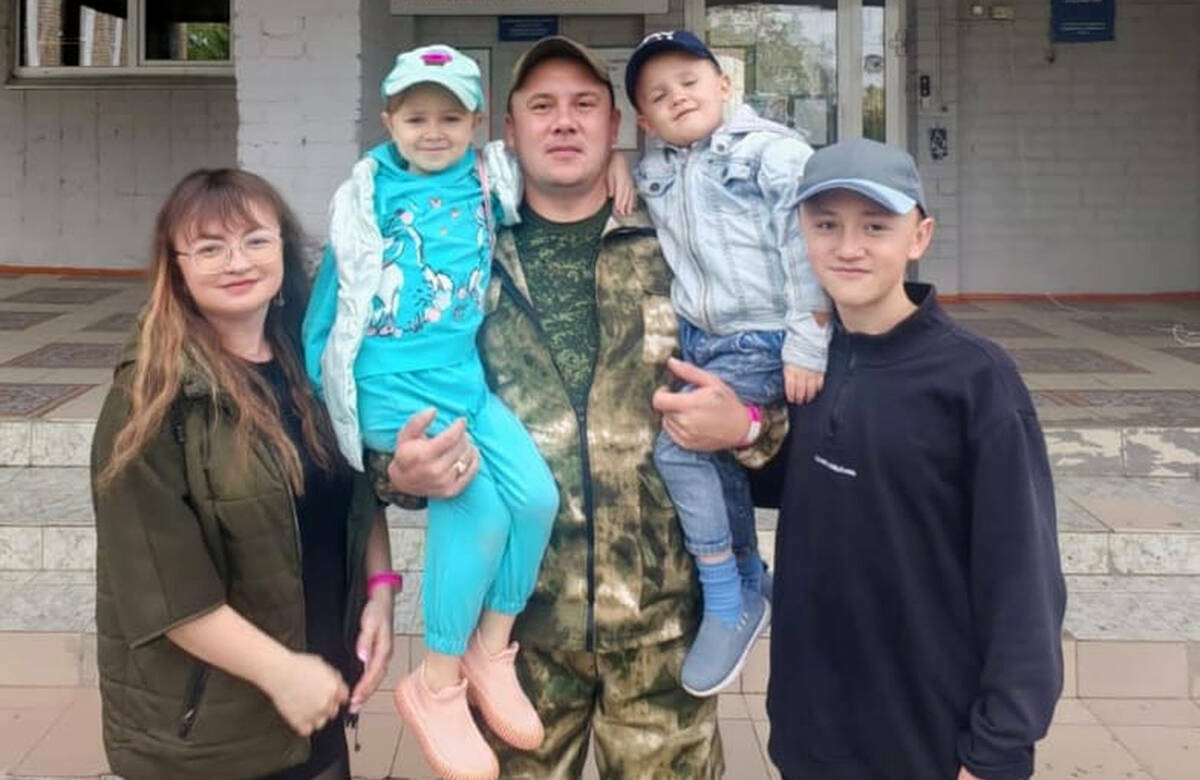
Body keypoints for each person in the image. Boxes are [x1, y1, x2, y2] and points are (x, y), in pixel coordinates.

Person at [381, 36, 782, 778]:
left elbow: (764, 382)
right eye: (541, 106)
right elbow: (391, 386)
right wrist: (398, 472)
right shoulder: (460, 252)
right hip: (512, 639)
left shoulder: (682, 243)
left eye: (584, 104)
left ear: (616, 127)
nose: (563, 121)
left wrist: (749, 427)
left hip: (661, 629)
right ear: (507, 130)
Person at [302, 44, 585, 780]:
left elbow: (562, 164)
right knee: (479, 508)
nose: (433, 131)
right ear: (389, 120)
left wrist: (617, 165)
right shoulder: (364, 195)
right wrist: (315, 393)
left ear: (476, 122)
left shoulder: (489, 177)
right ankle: (435, 682)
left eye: (450, 118)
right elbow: (332, 297)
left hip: (463, 381)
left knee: (536, 497)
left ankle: (490, 648)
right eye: (416, 117)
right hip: (391, 386)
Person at [767, 138, 1066, 779]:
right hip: (810, 732)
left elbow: (1023, 576)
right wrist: (736, 432)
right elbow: (786, 482)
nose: (849, 247)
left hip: (928, 737)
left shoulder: (974, 380)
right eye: (826, 225)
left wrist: (999, 746)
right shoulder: (801, 366)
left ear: (919, 236)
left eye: (876, 226)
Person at [90, 169, 397, 780]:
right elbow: (161, 587)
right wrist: (282, 673)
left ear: (283, 247)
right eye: (209, 248)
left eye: (255, 240)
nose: (237, 262)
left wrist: (382, 591)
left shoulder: (315, 366)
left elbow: (357, 497)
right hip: (211, 730)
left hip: (316, 697)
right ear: (176, 268)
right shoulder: (150, 398)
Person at [622, 30, 830, 695]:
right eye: (658, 95)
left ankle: (727, 596)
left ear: (723, 85)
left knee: (682, 449)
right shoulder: (656, 166)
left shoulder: (772, 153)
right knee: (711, 458)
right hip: (703, 341)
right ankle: (747, 581)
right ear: (645, 121)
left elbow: (805, 244)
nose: (677, 97)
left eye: (689, 81)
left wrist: (807, 340)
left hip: (760, 339)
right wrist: (617, 166)